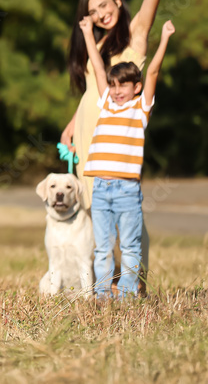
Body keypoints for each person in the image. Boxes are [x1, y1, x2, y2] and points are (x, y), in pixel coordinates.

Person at [60, 0, 191, 293]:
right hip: (88, 133)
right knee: (92, 208)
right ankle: (105, 283)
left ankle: (137, 283)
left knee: (127, 213)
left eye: (105, 4)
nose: (102, 14)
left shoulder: (135, 36)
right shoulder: (96, 43)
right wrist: (71, 125)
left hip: (117, 134)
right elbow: (91, 90)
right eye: (93, 11)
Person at [78, 17, 174, 299]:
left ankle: (128, 296)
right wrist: (86, 33)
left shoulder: (140, 108)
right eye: (114, 85)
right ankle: (103, 296)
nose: (118, 91)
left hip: (126, 189)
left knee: (130, 246)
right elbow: (97, 67)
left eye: (124, 85)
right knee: (102, 247)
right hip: (100, 188)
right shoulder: (107, 102)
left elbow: (154, 71)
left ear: (136, 87)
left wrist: (165, 37)